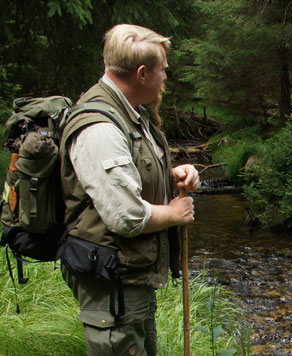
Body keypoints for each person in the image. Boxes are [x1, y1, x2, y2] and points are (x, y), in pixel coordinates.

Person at [59, 24, 200, 355]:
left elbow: (128, 177)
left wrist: (171, 176)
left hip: (129, 282)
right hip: (113, 288)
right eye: (162, 70)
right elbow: (125, 216)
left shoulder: (128, 112)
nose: (166, 76)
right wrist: (174, 213)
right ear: (141, 73)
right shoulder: (100, 129)